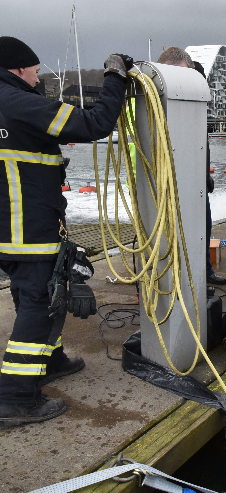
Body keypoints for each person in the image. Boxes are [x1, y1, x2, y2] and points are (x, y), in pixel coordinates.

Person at [0, 36, 131, 427]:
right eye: (36, 71)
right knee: (40, 303)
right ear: (18, 69)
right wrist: (115, 79)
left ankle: (51, 360)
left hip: (9, 232)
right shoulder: (18, 103)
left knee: (32, 296)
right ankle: (15, 397)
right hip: (29, 228)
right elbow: (93, 124)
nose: (38, 78)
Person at [156, 48, 226, 285]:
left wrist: (205, 175)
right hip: (163, 181)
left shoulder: (193, 92)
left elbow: (199, 144)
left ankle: (203, 274)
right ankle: (165, 280)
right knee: (166, 234)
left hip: (195, 177)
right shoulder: (155, 97)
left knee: (201, 229)